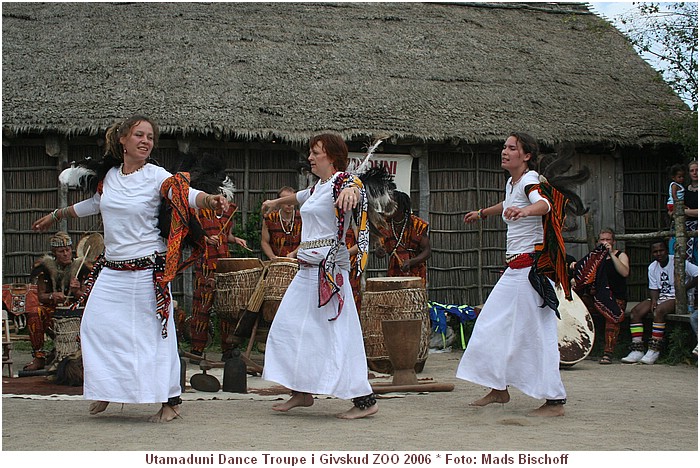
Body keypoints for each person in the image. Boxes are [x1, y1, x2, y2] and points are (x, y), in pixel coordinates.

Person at [31, 115, 230, 422]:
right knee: (95, 327)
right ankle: (109, 390)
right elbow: (95, 203)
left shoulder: (156, 175)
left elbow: (184, 194)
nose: (145, 140)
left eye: (150, 136)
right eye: (139, 134)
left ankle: (170, 402)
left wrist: (208, 200)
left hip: (147, 270)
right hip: (111, 269)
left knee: (155, 335)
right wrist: (57, 215)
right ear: (123, 139)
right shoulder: (109, 175)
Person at [456, 132, 577, 417]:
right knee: (490, 323)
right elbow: (509, 203)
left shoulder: (531, 180)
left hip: (532, 271)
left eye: (512, 148)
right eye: (504, 147)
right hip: (516, 270)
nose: (505, 152)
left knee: (536, 335)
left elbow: (543, 204)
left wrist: (526, 213)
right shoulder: (514, 183)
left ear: (526, 156)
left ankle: (554, 401)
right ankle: (499, 387)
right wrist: (483, 212)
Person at [260, 132, 378, 419]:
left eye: (316, 152)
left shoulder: (343, 182)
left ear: (332, 156)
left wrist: (352, 192)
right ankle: (301, 392)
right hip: (306, 271)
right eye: (311, 152)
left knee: (339, 335)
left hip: (329, 273)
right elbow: (301, 197)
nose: (310, 157)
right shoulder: (319, 188)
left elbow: (354, 189)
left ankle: (365, 400)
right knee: (289, 329)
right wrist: (275, 204)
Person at [186, 153, 248, 361]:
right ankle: (197, 350)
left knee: (226, 308)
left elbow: (226, 233)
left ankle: (227, 350)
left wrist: (235, 239)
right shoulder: (200, 208)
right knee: (201, 307)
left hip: (224, 263)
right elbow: (192, 231)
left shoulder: (229, 210)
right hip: (205, 261)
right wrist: (205, 237)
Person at [621, 241, 698, 364]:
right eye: (655, 252)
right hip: (662, 297)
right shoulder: (652, 267)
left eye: (661, 250)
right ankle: (637, 349)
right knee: (635, 312)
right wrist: (654, 300)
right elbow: (654, 288)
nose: (659, 254)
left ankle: (654, 349)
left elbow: (697, 274)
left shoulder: (678, 262)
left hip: (677, 298)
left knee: (659, 311)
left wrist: (683, 288)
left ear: (667, 250)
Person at [23, 231, 90, 371]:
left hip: (78, 312)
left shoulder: (82, 267)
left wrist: (77, 291)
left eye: (67, 250)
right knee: (35, 313)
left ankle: (83, 356)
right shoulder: (44, 268)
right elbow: (41, 296)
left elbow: (88, 295)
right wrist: (52, 296)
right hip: (53, 312)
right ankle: (39, 357)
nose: (66, 254)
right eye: (61, 251)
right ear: (54, 253)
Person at [572, 228, 629, 364]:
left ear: (613, 241)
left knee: (613, 315)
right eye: (602, 240)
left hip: (615, 297)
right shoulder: (594, 258)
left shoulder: (620, 255)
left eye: (608, 239)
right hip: (597, 297)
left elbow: (624, 272)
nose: (605, 242)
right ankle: (578, 348)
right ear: (598, 241)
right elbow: (584, 273)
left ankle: (608, 353)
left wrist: (610, 255)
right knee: (577, 308)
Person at [374, 190, 431, 286]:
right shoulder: (383, 225)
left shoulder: (417, 224)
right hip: (394, 271)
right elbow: (380, 249)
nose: (387, 208)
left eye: (391, 206)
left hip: (416, 272)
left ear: (401, 208)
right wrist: (379, 251)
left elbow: (427, 251)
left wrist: (412, 261)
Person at [261, 186, 302, 260]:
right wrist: (272, 257)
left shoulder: (302, 217)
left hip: (297, 261)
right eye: (286, 201)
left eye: (291, 200)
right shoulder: (270, 218)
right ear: (279, 202)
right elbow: (264, 242)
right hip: (276, 261)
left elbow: (306, 240)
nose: (289, 204)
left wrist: (294, 253)